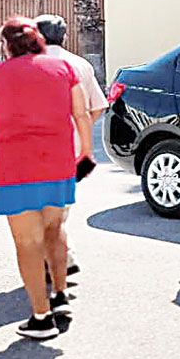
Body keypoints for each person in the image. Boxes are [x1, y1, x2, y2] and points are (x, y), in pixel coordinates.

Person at [0, 16, 93, 339]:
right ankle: (60, 295)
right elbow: (80, 114)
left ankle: (41, 319)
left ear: (8, 45)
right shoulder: (63, 70)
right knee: (54, 230)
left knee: (28, 243)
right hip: (58, 164)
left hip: (16, 169)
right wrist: (86, 152)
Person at [35, 14, 108, 276]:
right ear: (64, 37)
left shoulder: (28, 66)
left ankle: (55, 260)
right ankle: (65, 256)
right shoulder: (80, 65)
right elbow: (98, 106)